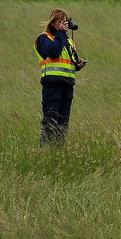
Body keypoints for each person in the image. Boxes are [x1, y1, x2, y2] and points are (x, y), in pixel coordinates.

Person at [34, 9, 86, 144]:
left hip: (67, 85)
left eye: (65, 22)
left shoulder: (68, 41)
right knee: (50, 121)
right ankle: (45, 151)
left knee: (63, 124)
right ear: (52, 24)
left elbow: (68, 62)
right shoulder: (44, 38)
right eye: (60, 22)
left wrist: (77, 65)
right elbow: (53, 53)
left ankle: (58, 152)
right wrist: (61, 33)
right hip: (52, 85)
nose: (64, 24)